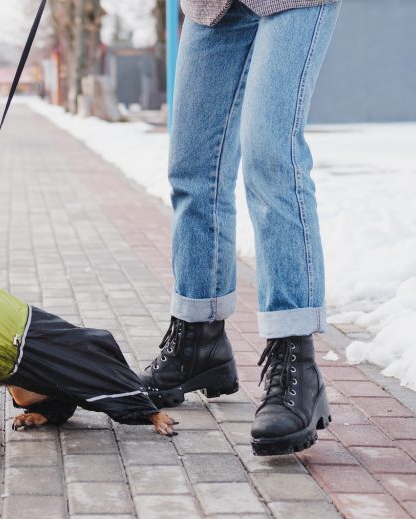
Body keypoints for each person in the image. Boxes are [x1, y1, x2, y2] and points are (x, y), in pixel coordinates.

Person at [140, 0, 342, 456]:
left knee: (271, 156)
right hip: (211, 6)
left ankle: (295, 362)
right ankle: (198, 338)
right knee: (191, 169)